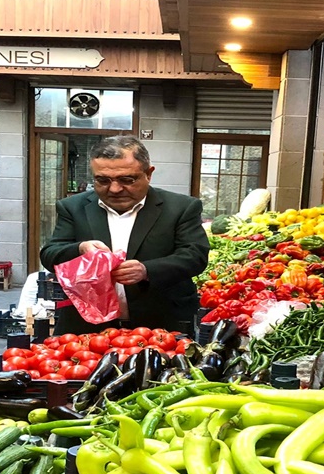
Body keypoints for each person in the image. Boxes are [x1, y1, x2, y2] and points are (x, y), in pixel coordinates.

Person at [40, 135, 209, 334]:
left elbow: (195, 256)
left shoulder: (181, 208)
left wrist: (146, 270)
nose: (115, 189)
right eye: (103, 180)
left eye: (127, 180)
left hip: (160, 324)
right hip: (89, 327)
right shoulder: (73, 207)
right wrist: (80, 249)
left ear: (149, 174)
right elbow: (50, 254)